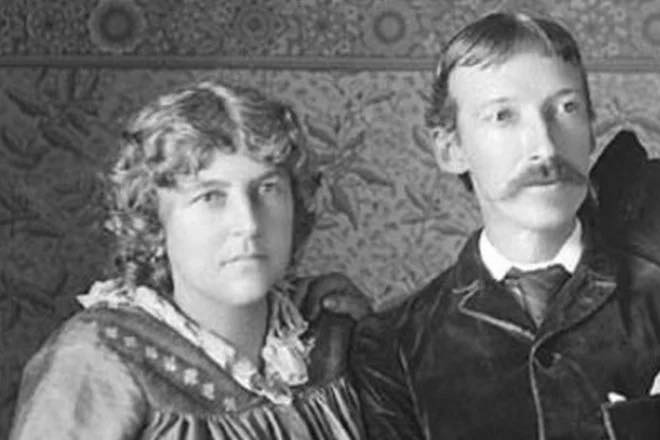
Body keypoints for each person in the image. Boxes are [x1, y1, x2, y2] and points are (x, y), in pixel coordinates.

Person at [351, 12, 660, 440]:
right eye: (503, 116)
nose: (545, 147)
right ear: (450, 148)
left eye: (566, 108)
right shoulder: (392, 345)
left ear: (591, 129)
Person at [10, 80, 366, 439]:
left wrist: (376, 341)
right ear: (154, 220)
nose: (248, 224)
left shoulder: (329, 336)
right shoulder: (96, 358)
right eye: (211, 197)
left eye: (268, 189)